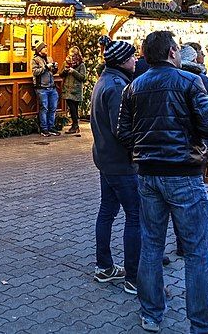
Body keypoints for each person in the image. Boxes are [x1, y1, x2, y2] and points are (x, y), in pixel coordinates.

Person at [118, 30, 208, 333]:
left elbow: (123, 133)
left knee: (151, 246)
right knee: (197, 251)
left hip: (148, 174)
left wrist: (145, 148)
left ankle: (151, 314)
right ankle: (201, 323)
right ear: (173, 51)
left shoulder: (133, 87)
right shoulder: (190, 81)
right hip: (184, 174)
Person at [90, 39, 139, 293]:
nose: (135, 60)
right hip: (120, 162)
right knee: (135, 215)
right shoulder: (117, 85)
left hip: (105, 158)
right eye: (132, 56)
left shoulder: (104, 80)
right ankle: (134, 277)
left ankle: (104, 266)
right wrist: (138, 149)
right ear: (121, 60)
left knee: (107, 210)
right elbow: (122, 129)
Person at [32, 42, 59, 137]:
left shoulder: (49, 58)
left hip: (52, 87)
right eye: (44, 48)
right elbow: (35, 72)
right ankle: (44, 129)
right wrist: (46, 67)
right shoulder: (35, 60)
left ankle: (51, 127)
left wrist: (55, 67)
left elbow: (53, 72)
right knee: (44, 108)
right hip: (41, 88)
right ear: (39, 50)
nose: (46, 49)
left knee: (53, 108)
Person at [60, 46, 87, 134]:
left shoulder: (81, 65)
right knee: (71, 108)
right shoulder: (66, 63)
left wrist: (74, 72)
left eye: (73, 55)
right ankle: (75, 125)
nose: (71, 57)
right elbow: (61, 74)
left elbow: (83, 78)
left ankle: (75, 125)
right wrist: (65, 70)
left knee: (74, 108)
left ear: (77, 56)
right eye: (70, 55)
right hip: (67, 89)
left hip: (76, 90)